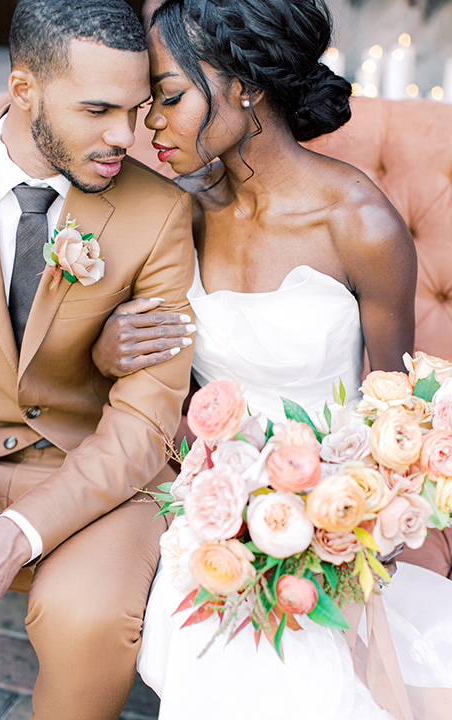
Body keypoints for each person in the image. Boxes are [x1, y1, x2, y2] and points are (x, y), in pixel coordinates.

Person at [91, 1, 452, 718]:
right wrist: (107, 346)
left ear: (245, 85)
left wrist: (328, 527)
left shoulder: (362, 225)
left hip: (335, 520)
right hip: (212, 514)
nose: (149, 125)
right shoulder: (179, 215)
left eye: (167, 97)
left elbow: (397, 411)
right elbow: (136, 362)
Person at [0, 1, 196, 718]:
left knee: (88, 615)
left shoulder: (160, 212)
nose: (123, 138)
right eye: (98, 109)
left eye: (134, 110)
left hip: (99, 472)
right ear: (24, 88)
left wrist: (22, 531)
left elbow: (145, 416)